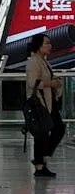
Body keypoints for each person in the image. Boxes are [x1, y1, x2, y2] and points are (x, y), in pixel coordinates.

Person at [27, 33, 64, 178]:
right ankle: (40, 164)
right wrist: (51, 83)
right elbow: (33, 83)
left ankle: (40, 162)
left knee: (53, 130)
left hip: (49, 102)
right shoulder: (34, 62)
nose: (50, 46)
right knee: (44, 133)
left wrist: (55, 81)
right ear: (38, 46)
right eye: (46, 43)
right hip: (40, 103)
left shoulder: (44, 61)